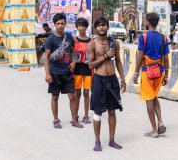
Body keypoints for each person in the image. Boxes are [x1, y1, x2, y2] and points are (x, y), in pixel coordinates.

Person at [88, 16, 126, 151]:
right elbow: (91, 65)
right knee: (98, 112)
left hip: (112, 80)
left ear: (107, 27)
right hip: (99, 80)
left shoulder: (114, 43)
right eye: (99, 25)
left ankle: (111, 140)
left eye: (103, 25)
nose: (101, 27)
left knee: (112, 111)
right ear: (95, 28)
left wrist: (123, 79)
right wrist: (105, 56)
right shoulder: (92, 44)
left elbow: (119, 62)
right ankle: (97, 141)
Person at [132, 12, 170, 138]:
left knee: (149, 99)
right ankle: (160, 122)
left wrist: (135, 73)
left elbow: (140, 56)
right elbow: (166, 58)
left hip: (147, 72)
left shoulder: (143, 37)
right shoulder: (163, 38)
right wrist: (167, 75)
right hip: (160, 72)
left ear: (148, 22)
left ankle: (154, 130)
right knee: (154, 97)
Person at [44, 13, 83, 129]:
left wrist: (73, 62)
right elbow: (46, 57)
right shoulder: (51, 39)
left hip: (67, 73)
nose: (60, 26)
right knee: (55, 97)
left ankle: (74, 119)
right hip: (55, 73)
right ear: (54, 24)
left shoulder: (69, 37)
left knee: (73, 97)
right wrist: (47, 74)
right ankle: (56, 120)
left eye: (62, 23)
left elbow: (73, 51)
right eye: (58, 24)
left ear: (65, 24)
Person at [73, 17, 92, 124]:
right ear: (77, 27)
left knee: (86, 92)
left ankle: (86, 115)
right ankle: (75, 115)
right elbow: (71, 55)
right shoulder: (74, 40)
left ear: (86, 27)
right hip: (77, 69)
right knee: (77, 93)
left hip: (88, 69)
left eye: (83, 26)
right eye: (79, 26)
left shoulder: (91, 41)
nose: (81, 28)